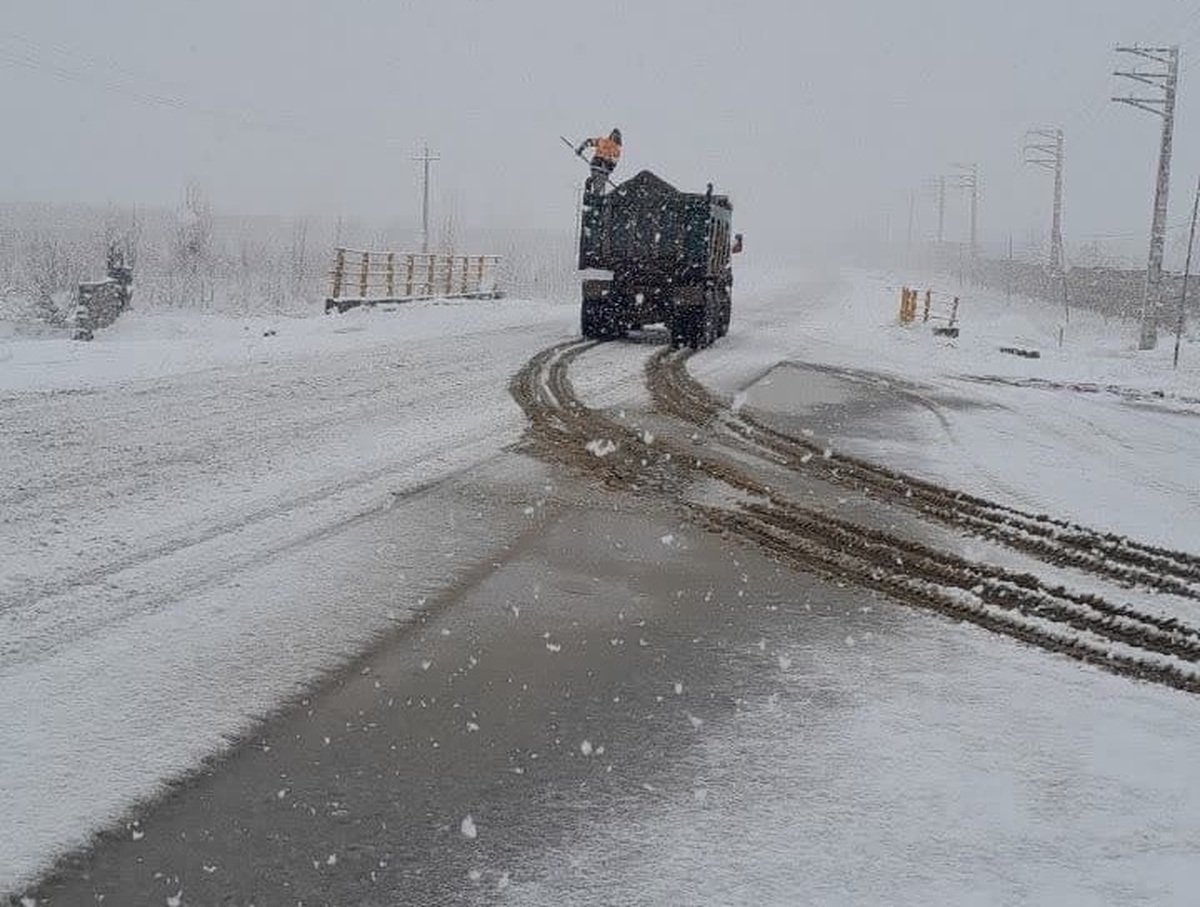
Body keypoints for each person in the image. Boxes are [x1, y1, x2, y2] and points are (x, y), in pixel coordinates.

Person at [576, 128, 622, 195]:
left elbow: (589, 142)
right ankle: (595, 192)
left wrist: (581, 148)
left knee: (598, 180)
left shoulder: (615, 148)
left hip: (599, 165)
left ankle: (590, 184)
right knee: (599, 182)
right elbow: (590, 142)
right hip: (602, 166)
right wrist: (581, 148)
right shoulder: (612, 146)